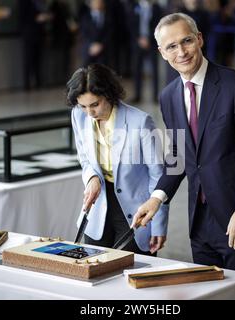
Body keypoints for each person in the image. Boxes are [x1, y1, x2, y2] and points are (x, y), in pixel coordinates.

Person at [132, 13, 235, 299]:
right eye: (172, 46)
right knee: (209, 293)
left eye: (187, 40)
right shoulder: (168, 96)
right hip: (200, 221)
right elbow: (179, 157)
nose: (182, 51)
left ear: (199, 39)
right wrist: (156, 197)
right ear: (162, 53)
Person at [66, 63, 168, 255]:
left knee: (130, 272)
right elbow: (84, 158)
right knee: (95, 269)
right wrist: (92, 178)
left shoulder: (141, 122)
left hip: (136, 209)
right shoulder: (78, 115)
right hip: (99, 206)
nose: (89, 113)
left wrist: (159, 225)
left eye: (95, 104)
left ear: (109, 95)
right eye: (83, 106)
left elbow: (158, 175)